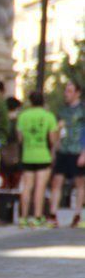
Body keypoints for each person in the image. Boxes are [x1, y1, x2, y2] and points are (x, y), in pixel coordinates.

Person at [17, 91, 58, 228]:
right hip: (43, 155)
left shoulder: (23, 116)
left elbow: (20, 138)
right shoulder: (49, 116)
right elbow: (52, 139)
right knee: (40, 188)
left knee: (27, 187)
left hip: (27, 155)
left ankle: (23, 218)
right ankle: (37, 217)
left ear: (30, 101)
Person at [48, 81, 85, 228]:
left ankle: (77, 214)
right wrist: (54, 150)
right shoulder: (62, 111)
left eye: (70, 91)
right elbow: (57, 131)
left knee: (79, 183)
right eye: (66, 91)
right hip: (63, 150)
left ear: (77, 93)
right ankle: (52, 214)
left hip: (77, 150)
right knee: (57, 181)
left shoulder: (82, 110)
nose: (66, 94)